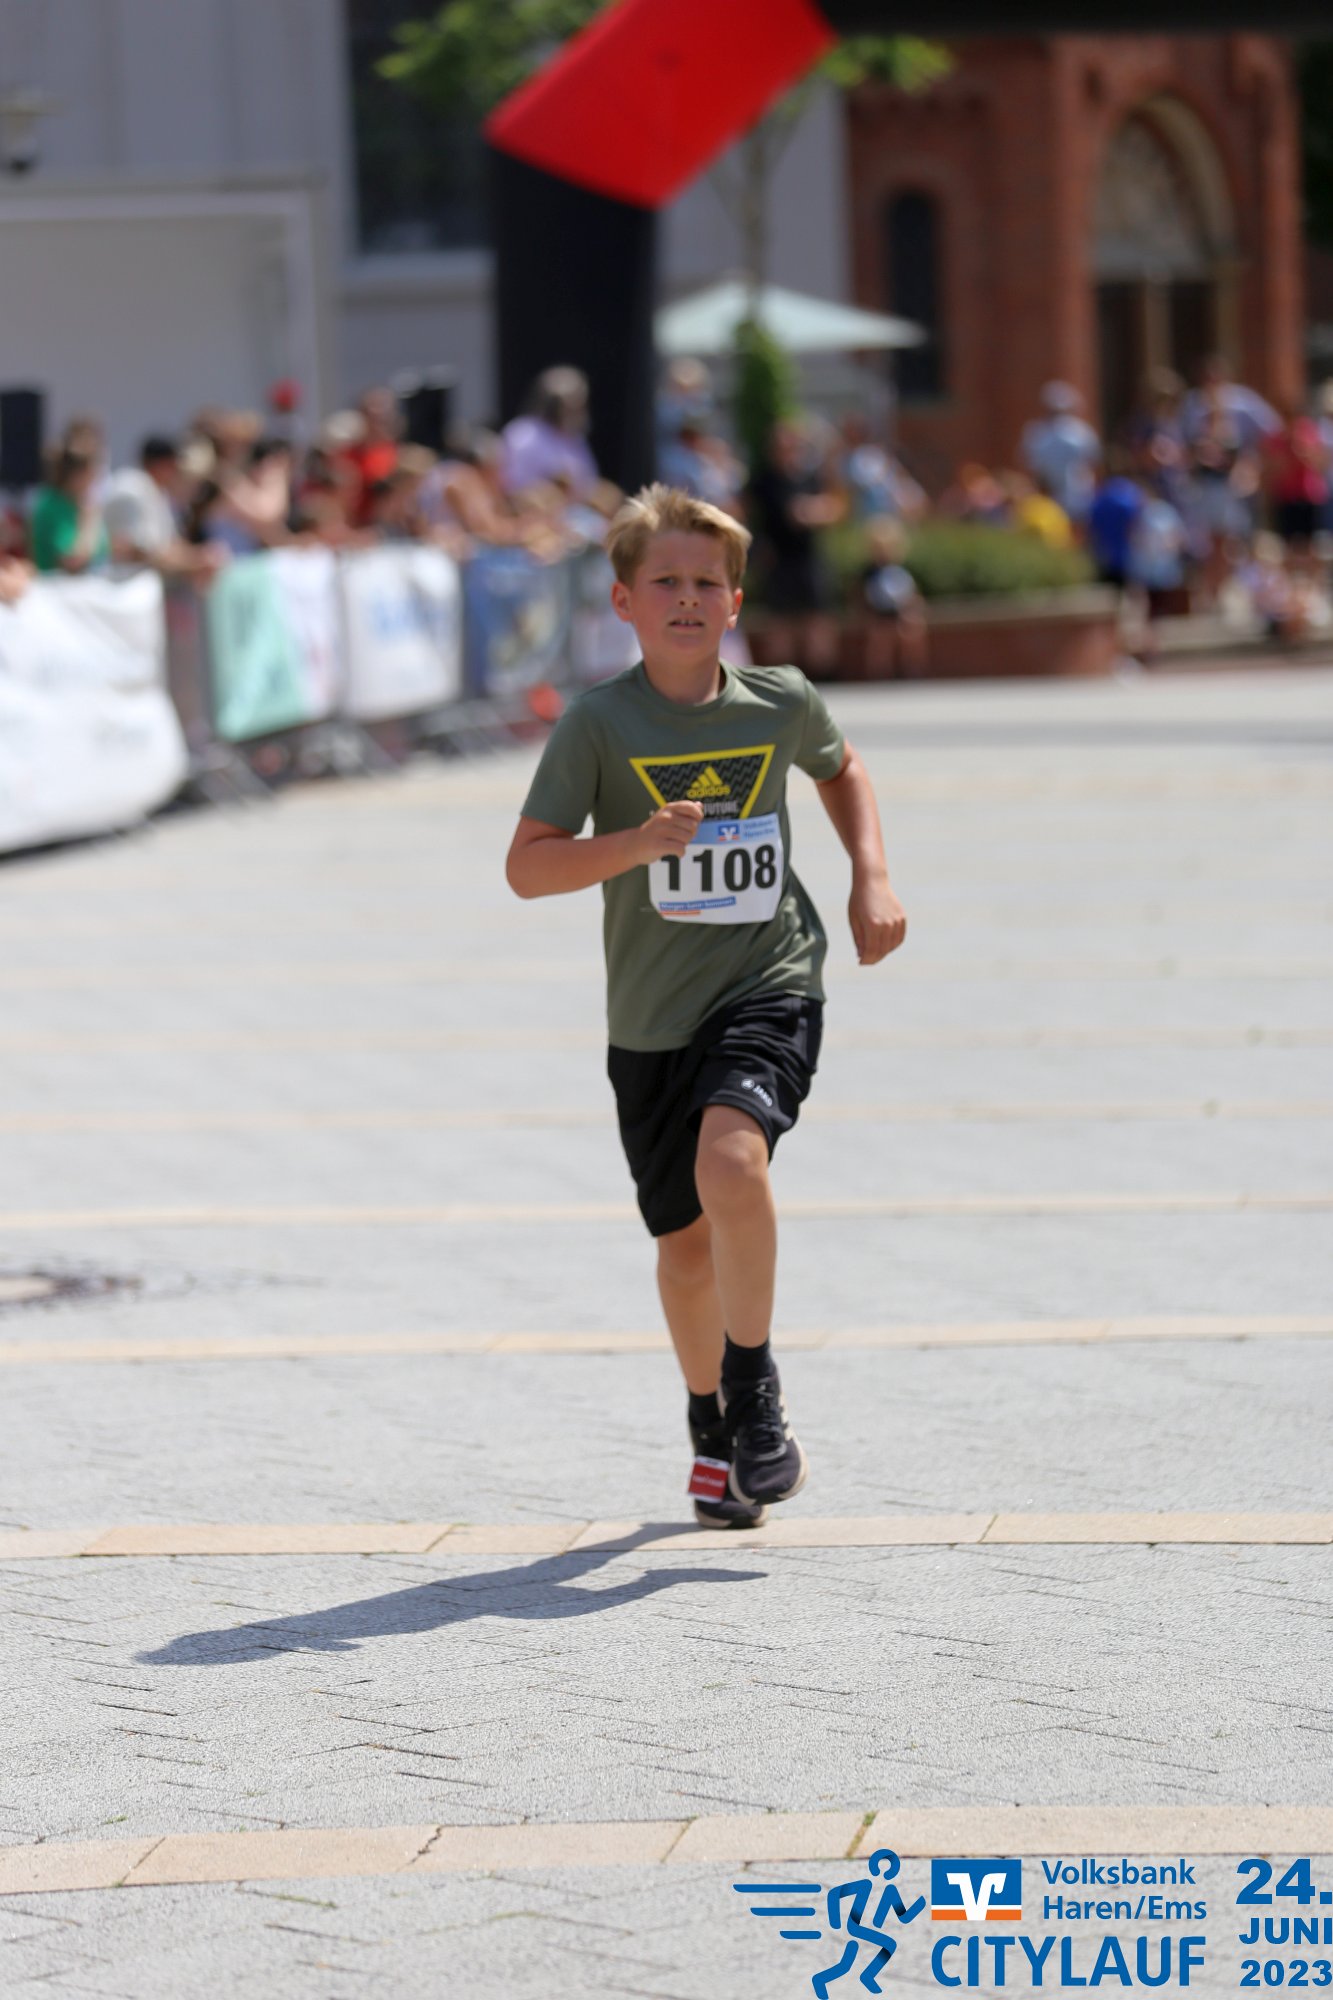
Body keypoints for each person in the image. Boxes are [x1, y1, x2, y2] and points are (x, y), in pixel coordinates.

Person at [505, 484, 907, 1525]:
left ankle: (754, 1390)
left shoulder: (778, 702)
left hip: (768, 976)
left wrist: (869, 875)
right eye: (664, 582)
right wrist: (635, 843)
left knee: (732, 1160)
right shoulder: (598, 724)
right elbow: (527, 868)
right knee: (684, 1249)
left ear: (734, 601)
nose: (686, 598)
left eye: (706, 582)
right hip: (650, 1018)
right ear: (623, 601)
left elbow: (842, 767)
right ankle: (709, 1425)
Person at [501, 366, 599, 500]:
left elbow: (588, 483)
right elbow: (512, 484)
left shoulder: (576, 438)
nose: (577, 409)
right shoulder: (523, 434)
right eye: (571, 402)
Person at [1019, 381, 1101, 524]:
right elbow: (1094, 463)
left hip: (1068, 494)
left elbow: (1030, 467)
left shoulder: (1037, 432)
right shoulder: (1081, 431)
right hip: (1066, 494)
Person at [28, 446, 109, 574]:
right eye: (92, 474)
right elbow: (72, 561)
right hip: (56, 584)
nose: (95, 480)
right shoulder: (51, 506)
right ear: (76, 475)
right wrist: (88, 521)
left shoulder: (79, 503)